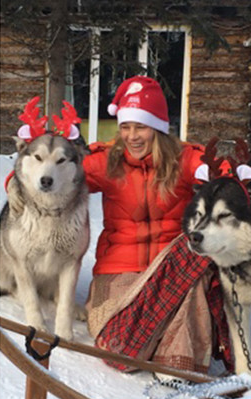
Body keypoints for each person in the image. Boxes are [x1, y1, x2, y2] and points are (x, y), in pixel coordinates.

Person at [83, 76, 232, 375]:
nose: (132, 136)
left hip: (172, 267)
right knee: (119, 348)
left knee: (195, 261)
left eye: (141, 127)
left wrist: (223, 175)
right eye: (125, 127)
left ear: (159, 128)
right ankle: (162, 340)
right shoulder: (106, 162)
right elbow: (50, 178)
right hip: (119, 271)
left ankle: (175, 367)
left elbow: (233, 176)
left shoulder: (184, 159)